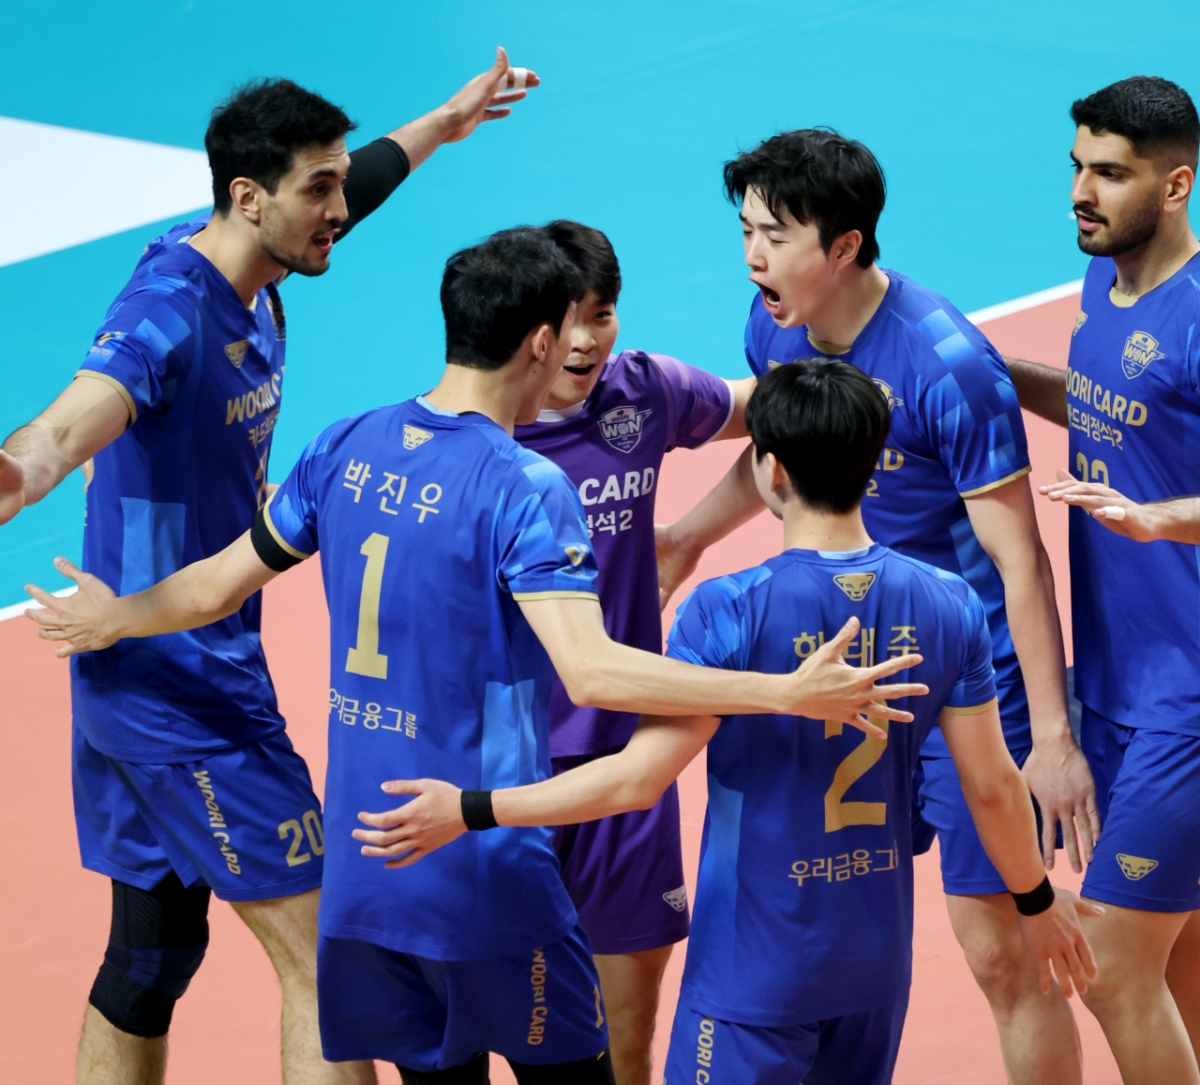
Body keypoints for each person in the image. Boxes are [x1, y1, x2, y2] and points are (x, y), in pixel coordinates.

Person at [26, 230, 929, 1083]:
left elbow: (213, 588)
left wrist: (117, 616)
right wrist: (782, 690)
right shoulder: (525, 484)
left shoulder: (343, 443)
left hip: (370, 868)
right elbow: (592, 671)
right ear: (539, 342)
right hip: (483, 866)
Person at [0, 49, 539, 1085]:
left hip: (142, 672)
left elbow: (359, 186)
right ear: (250, 199)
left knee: (150, 957)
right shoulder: (167, 314)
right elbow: (65, 429)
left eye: (337, 183)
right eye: (317, 188)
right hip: (180, 690)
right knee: (330, 961)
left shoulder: (254, 261)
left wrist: (445, 121)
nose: (338, 209)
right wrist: (18, 473)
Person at [341, 358, 1101, 1085]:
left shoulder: (728, 609)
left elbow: (637, 781)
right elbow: (993, 787)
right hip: (873, 964)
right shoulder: (948, 603)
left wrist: (470, 809)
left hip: (753, 971)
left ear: (772, 471)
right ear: (872, 465)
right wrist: (1036, 900)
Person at [654, 128, 1098, 1084]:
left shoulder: (948, 366)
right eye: (746, 231)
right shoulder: (774, 324)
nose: (753, 256)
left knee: (1005, 954)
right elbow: (785, 448)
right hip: (843, 665)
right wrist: (686, 536)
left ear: (845, 245)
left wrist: (1051, 736)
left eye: (775, 235)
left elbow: (1019, 559)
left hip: (959, 671)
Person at [512, 220, 753, 1085]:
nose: (585, 340)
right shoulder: (484, 430)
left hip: (629, 758)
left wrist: (688, 535)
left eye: (602, 313)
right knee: (524, 1027)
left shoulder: (644, 392)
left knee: (627, 1026)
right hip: (512, 762)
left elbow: (780, 412)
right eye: (567, 318)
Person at [1006, 76, 1200, 1084]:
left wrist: (1161, 516)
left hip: (1188, 701)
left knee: (1113, 963)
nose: (1082, 192)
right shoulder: (1102, 284)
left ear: (1175, 185)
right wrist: (991, 374)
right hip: (1117, 684)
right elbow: (1098, 400)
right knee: (1180, 965)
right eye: (1078, 167)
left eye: (1111, 174)